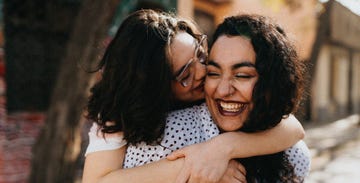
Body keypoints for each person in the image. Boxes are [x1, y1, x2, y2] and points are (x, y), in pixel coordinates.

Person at [83, 10, 308, 183]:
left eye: (201, 56)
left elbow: (293, 127)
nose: (203, 73)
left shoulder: (213, 90)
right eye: (185, 74)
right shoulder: (121, 118)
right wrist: (193, 167)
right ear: (157, 90)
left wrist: (222, 148)